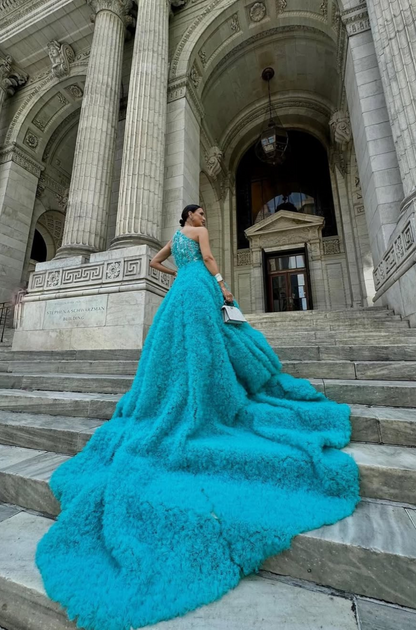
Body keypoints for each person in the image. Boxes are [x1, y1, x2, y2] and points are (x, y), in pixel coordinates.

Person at [36, 204, 360, 630]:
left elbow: (155, 262)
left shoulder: (175, 237)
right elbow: (208, 260)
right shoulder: (198, 236)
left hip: (178, 295)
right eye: (202, 213)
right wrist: (221, 285)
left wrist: (178, 275)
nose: (205, 217)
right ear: (193, 217)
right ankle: (210, 398)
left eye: (206, 214)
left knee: (175, 355)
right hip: (200, 289)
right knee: (210, 347)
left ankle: (183, 399)